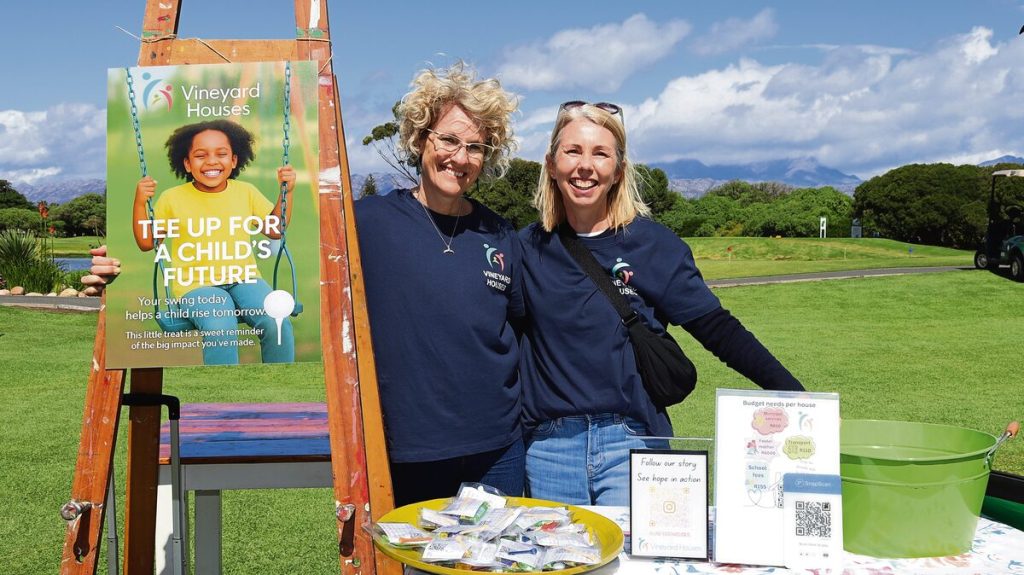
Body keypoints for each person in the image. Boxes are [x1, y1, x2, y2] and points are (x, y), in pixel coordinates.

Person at [518, 101, 805, 506]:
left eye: (600, 153)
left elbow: (719, 331)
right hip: (550, 450)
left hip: (633, 442)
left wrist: (798, 397)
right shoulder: (525, 249)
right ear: (551, 163)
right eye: (573, 151)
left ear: (618, 170)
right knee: (562, 566)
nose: (586, 166)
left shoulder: (655, 246)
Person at [354, 63, 525, 505]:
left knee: (493, 569)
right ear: (419, 138)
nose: (460, 157)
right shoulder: (367, 223)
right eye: (448, 139)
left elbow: (519, 326)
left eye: (475, 146)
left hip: (498, 446)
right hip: (409, 448)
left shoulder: (500, 233)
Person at [94, 119, 297, 365]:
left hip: (245, 278)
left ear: (234, 160)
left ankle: (278, 385)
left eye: (221, 154)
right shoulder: (173, 198)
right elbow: (147, 242)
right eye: (201, 156)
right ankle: (224, 392)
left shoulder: (246, 192)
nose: (212, 161)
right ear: (188, 164)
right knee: (220, 324)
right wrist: (139, 202)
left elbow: (275, 230)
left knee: (277, 319)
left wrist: (287, 192)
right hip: (195, 285)